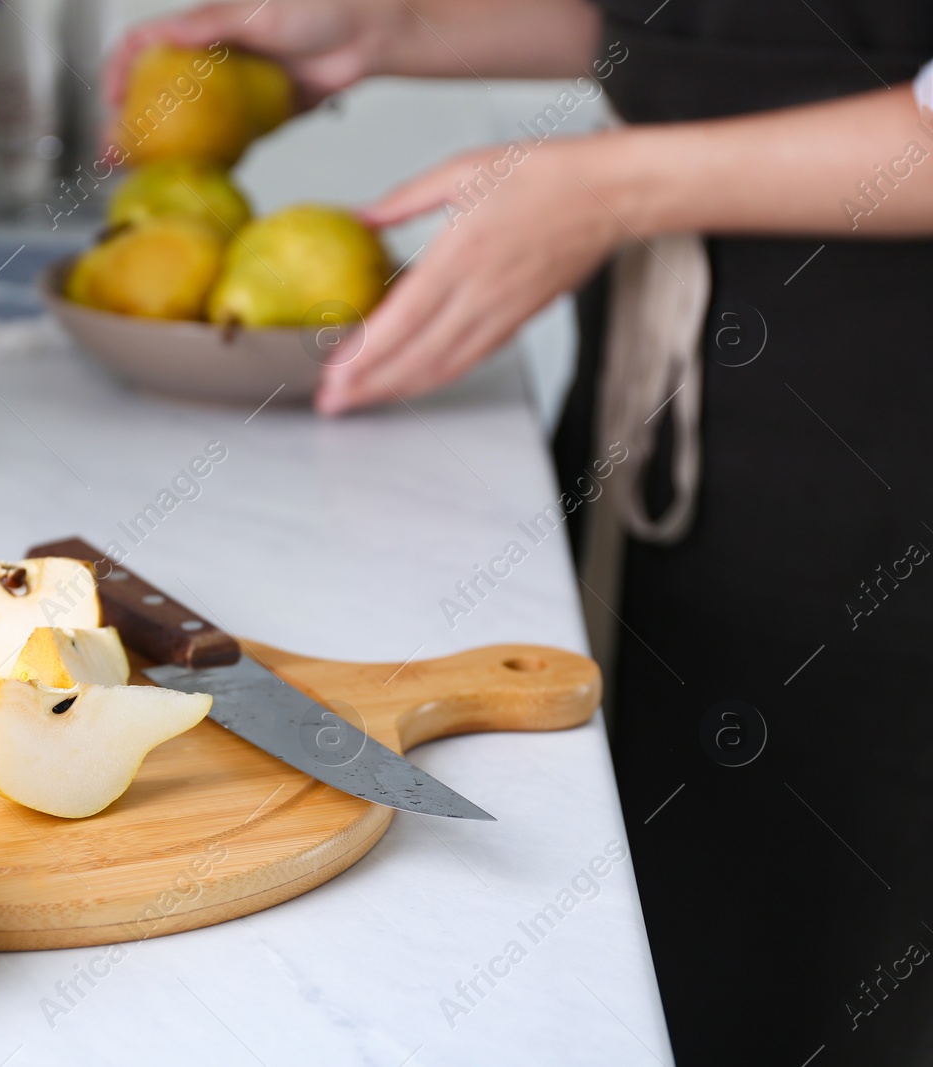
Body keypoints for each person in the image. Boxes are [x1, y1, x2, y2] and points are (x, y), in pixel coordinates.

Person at [107, 3, 933, 1063]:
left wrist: (610, 187)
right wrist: (383, 31)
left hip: (884, 454)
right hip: (675, 406)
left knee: (807, 966)